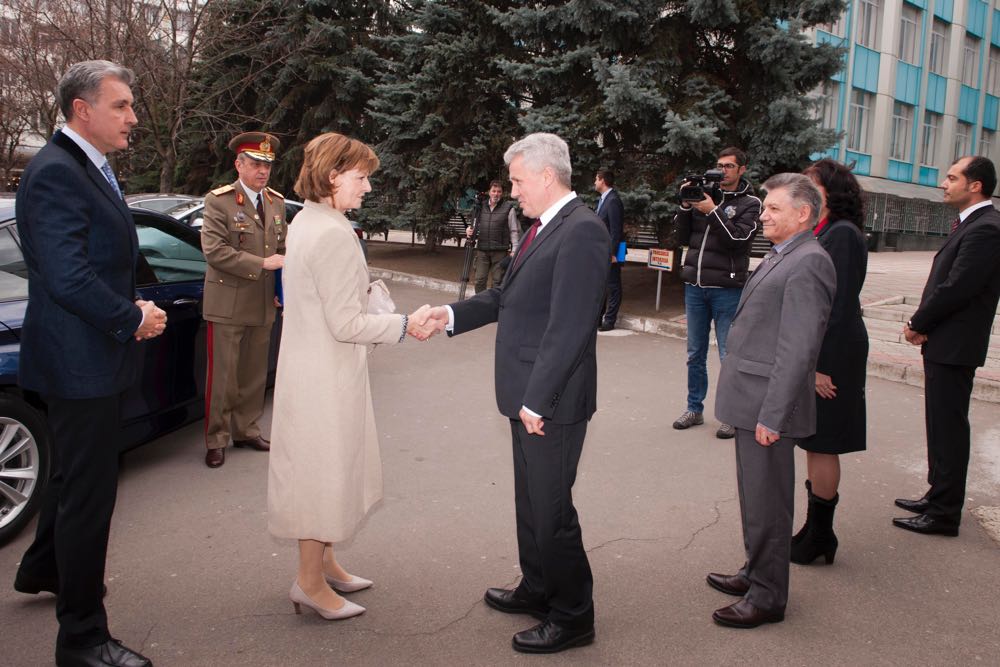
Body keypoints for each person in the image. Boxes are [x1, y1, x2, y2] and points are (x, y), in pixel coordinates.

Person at [423, 133, 608, 654]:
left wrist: (537, 400)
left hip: (550, 402)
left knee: (552, 511)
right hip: (527, 395)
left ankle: (573, 615)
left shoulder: (582, 231)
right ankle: (539, 586)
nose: (513, 191)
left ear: (547, 177)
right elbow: (507, 296)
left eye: (519, 181)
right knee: (531, 504)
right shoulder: (542, 227)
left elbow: (571, 327)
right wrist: (451, 314)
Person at [12, 60, 165, 667]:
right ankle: (81, 638)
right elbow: (67, 274)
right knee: (89, 496)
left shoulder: (83, 166)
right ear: (83, 110)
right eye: (122, 106)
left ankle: (42, 569)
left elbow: (94, 259)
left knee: (72, 481)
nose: (133, 118)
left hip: (88, 358)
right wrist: (133, 318)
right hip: (80, 364)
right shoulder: (55, 173)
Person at [266, 132, 434, 620]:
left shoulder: (309, 220)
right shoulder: (334, 232)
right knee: (322, 474)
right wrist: (405, 324)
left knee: (324, 469)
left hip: (311, 365)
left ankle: (327, 563)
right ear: (332, 175)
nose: (367, 188)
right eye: (361, 178)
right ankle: (310, 582)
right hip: (326, 375)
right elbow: (348, 324)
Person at [709, 173, 835, 629]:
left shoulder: (809, 262)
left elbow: (799, 348)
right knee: (754, 499)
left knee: (769, 505)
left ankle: (768, 596)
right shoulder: (784, 254)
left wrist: (773, 415)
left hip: (767, 406)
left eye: (773, 209)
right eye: (765, 207)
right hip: (751, 398)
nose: (763, 215)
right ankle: (754, 571)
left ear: (803, 214)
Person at [894, 156, 1000, 536]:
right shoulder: (972, 224)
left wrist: (918, 322)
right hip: (946, 340)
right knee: (939, 424)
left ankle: (943, 513)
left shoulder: (986, 228)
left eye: (952, 177)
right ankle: (937, 494)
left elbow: (958, 286)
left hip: (956, 344)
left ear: (975, 185)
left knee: (949, 427)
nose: (944, 183)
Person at [790, 159, 869, 565]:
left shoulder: (843, 235)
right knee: (814, 442)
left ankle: (821, 533)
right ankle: (815, 528)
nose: (803, 188)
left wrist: (820, 365)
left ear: (831, 191)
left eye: (811, 184)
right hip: (826, 348)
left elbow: (835, 306)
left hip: (834, 352)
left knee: (823, 443)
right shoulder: (826, 231)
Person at [200, 131, 286, 468]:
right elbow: (215, 251)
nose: (262, 171)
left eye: (267, 165)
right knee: (223, 376)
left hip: (264, 302)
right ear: (239, 164)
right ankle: (216, 438)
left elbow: (283, 250)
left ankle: (247, 430)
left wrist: (282, 291)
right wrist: (262, 264)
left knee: (253, 375)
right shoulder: (219, 201)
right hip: (228, 303)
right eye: (255, 164)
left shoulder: (276, 202)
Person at [671, 147, 761, 438]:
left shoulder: (751, 203)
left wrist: (713, 211)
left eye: (730, 166)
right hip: (695, 287)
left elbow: (738, 238)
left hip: (726, 289)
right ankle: (694, 408)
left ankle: (730, 414)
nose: (723, 171)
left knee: (728, 353)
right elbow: (681, 238)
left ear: (742, 169)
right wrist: (686, 206)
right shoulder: (703, 194)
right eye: (720, 165)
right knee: (694, 353)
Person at [465, 180, 521, 292]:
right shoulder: (481, 207)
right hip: (482, 250)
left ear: (502, 193)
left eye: (499, 191)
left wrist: (514, 249)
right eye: (494, 191)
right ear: (489, 192)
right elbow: (474, 224)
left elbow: (514, 231)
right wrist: (468, 230)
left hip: (500, 251)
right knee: (479, 280)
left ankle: (494, 305)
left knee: (498, 281)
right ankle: (480, 302)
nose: (496, 194)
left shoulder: (509, 209)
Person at [594, 169, 624, 331]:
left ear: (603, 180)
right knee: (602, 285)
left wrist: (612, 253)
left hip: (610, 252)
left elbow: (616, 230)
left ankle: (610, 320)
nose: (594, 182)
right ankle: (598, 318)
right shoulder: (603, 200)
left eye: (596, 179)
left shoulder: (613, 200)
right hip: (601, 251)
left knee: (613, 286)